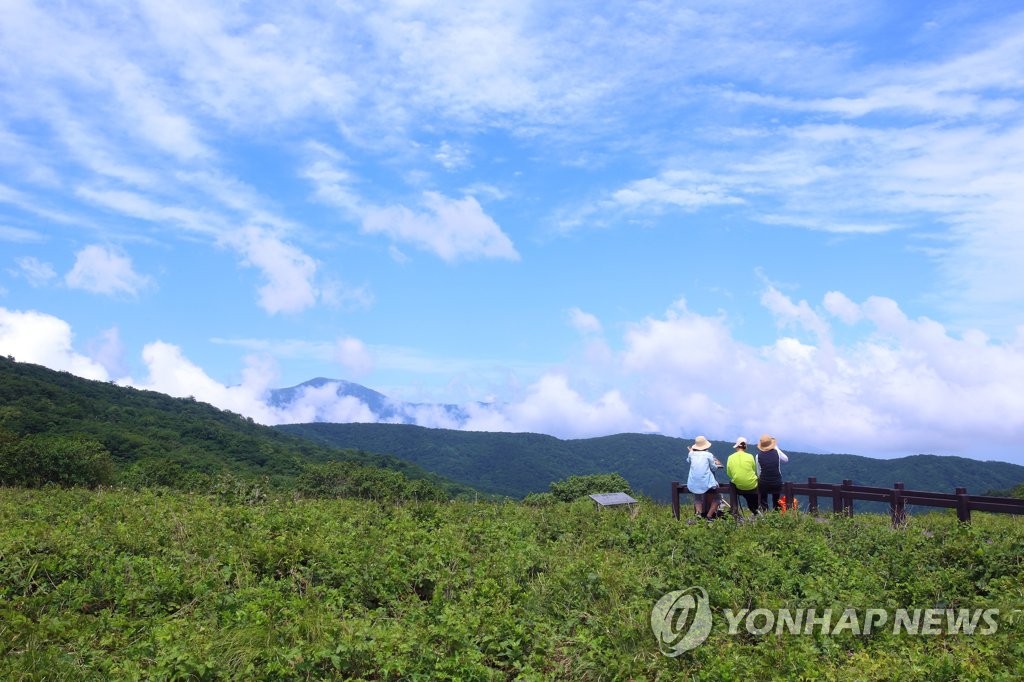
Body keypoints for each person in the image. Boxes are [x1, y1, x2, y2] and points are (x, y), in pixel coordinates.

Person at [686, 435, 722, 519]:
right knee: (717, 498)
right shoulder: (708, 454)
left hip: (693, 482)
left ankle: (698, 515)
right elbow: (713, 468)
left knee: (697, 497)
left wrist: (691, 451)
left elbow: (689, 461)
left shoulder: (691, 454)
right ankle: (709, 516)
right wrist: (717, 464)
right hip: (706, 482)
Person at [726, 436, 759, 515]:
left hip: (738, 487)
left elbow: (729, 473)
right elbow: (754, 471)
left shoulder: (730, 457)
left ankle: (734, 509)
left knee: (732, 482)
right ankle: (756, 511)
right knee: (752, 500)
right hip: (752, 486)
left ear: (737, 446)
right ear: (745, 447)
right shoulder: (750, 456)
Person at [756, 434, 788, 511]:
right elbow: (786, 459)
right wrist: (776, 447)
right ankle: (776, 515)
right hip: (777, 482)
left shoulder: (758, 456)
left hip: (764, 482)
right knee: (776, 502)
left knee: (763, 500)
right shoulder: (777, 452)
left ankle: (765, 513)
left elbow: (758, 471)